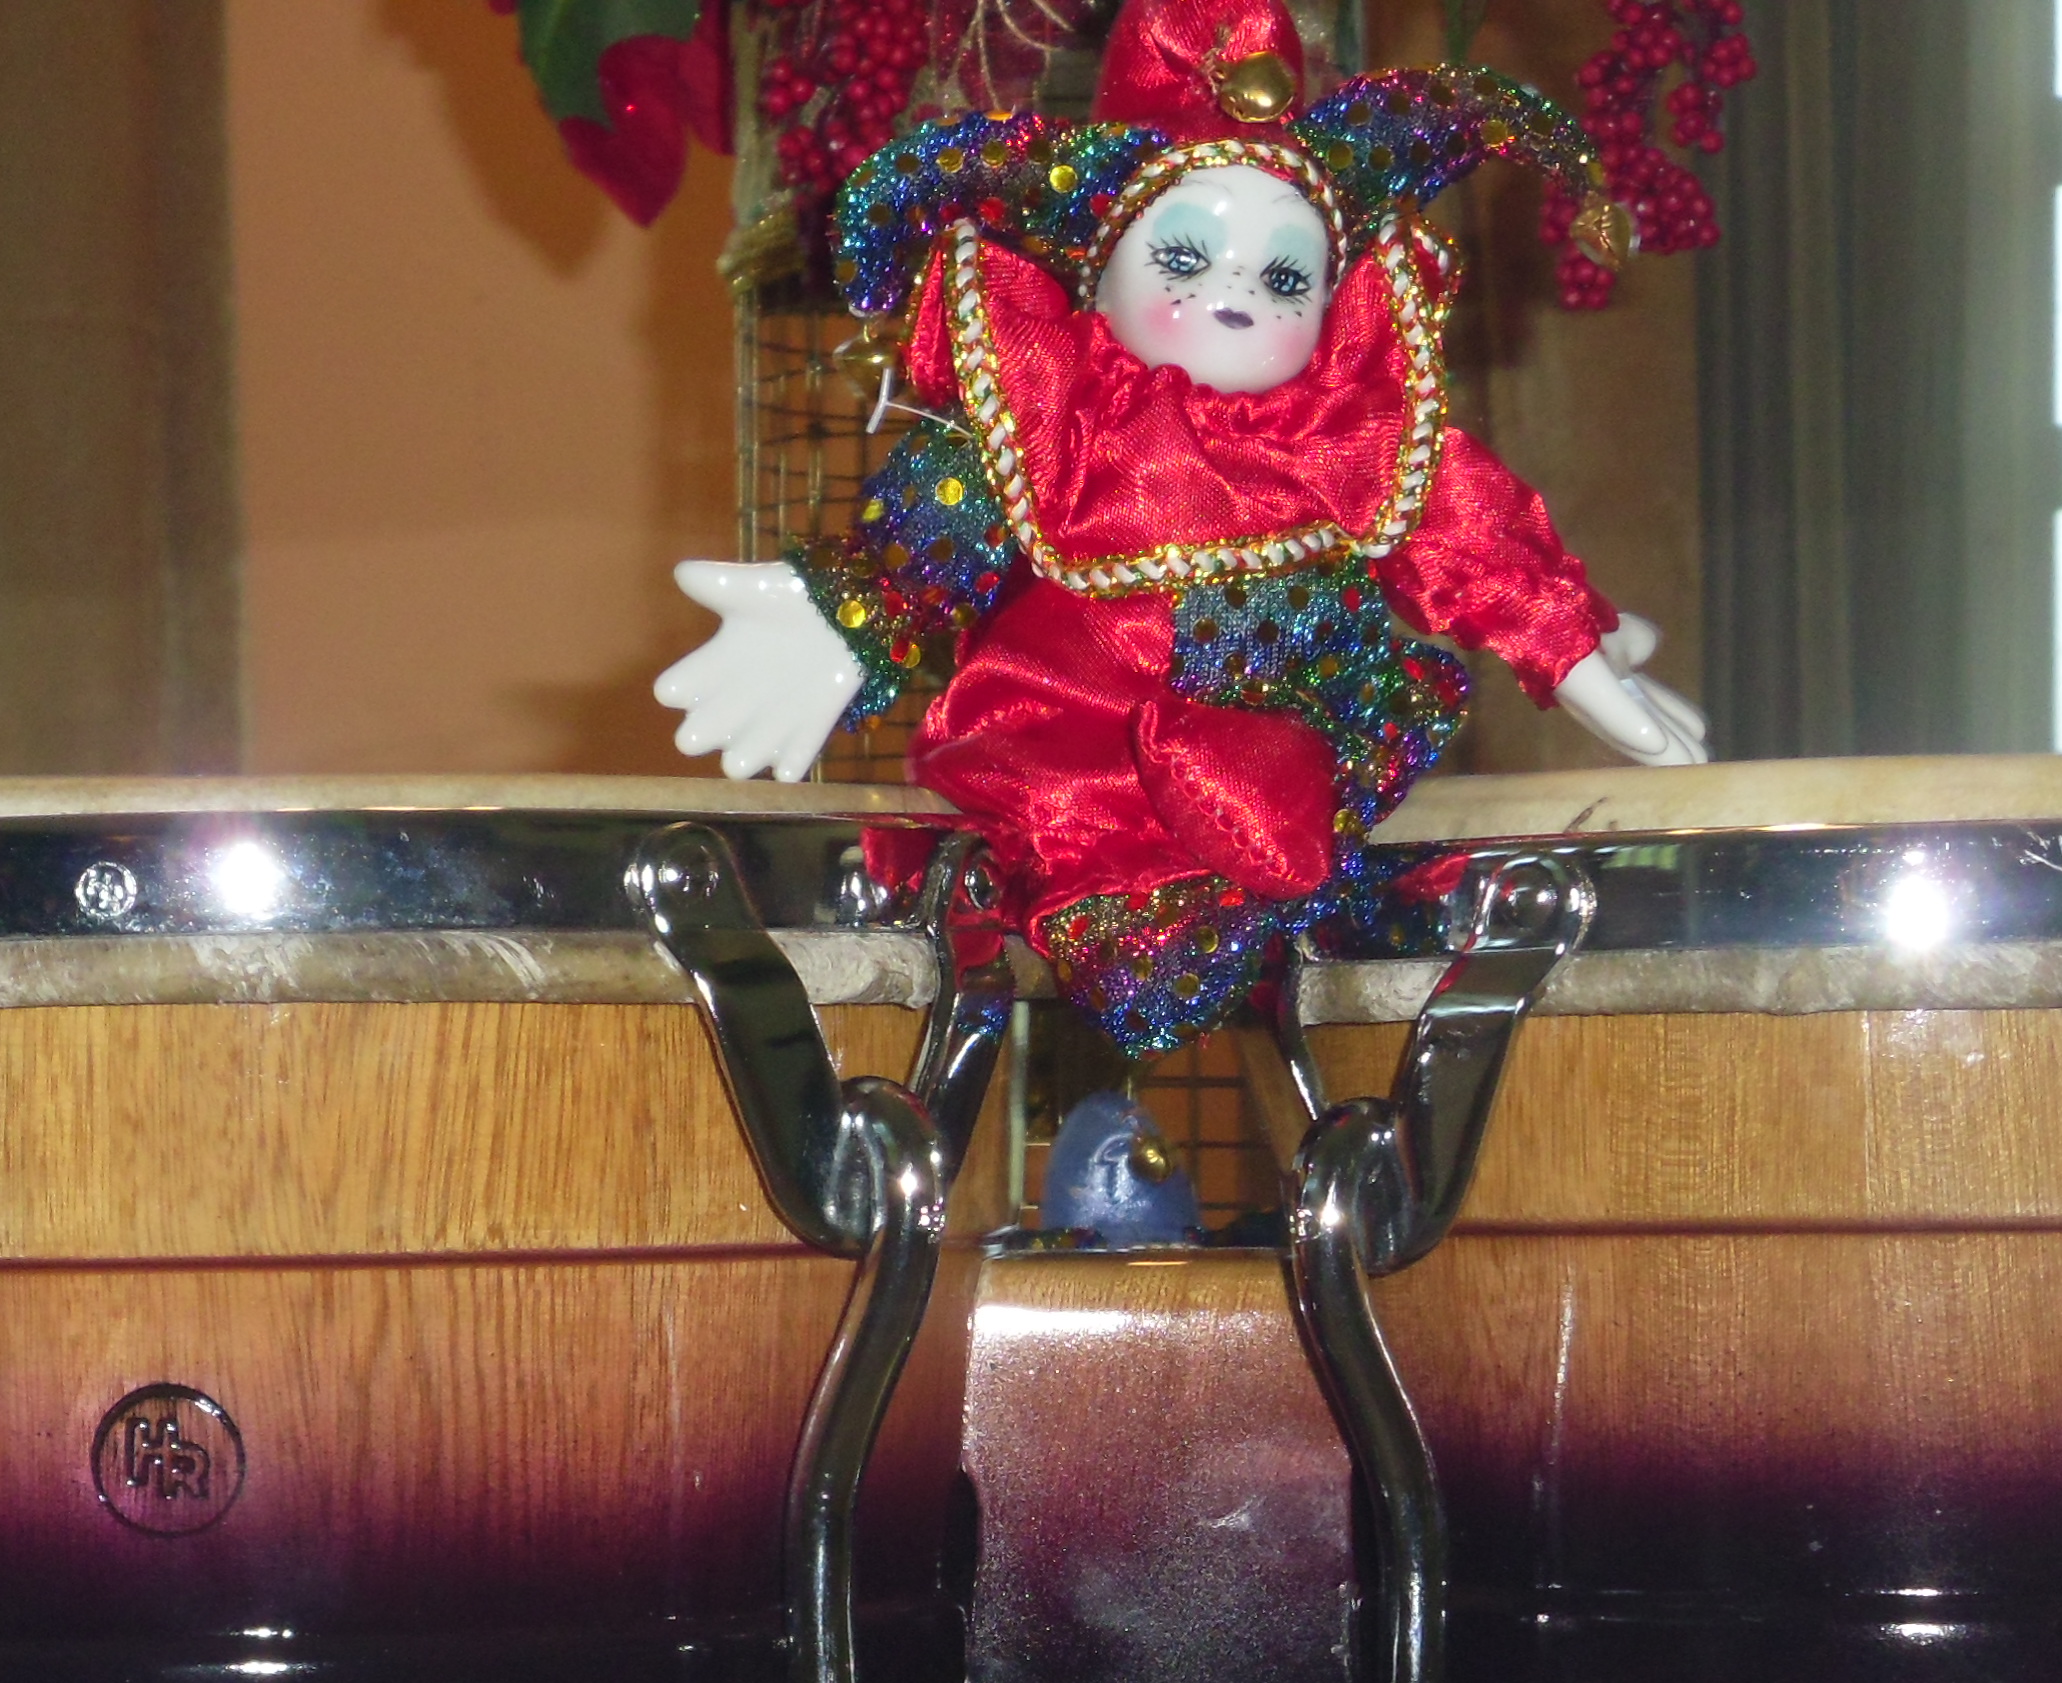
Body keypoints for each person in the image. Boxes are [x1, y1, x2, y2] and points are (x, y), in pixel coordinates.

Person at [653, 0, 1706, 1054]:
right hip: (1089, 773)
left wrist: (1568, 644)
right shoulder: (1063, 426)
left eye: (1285, 275)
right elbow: (933, 535)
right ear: (1100, 282)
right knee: (1140, 959)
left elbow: (1475, 545)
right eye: (1186, 259)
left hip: (1304, 755)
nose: (1238, 292)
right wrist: (839, 615)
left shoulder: (1352, 439)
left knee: (1349, 952)